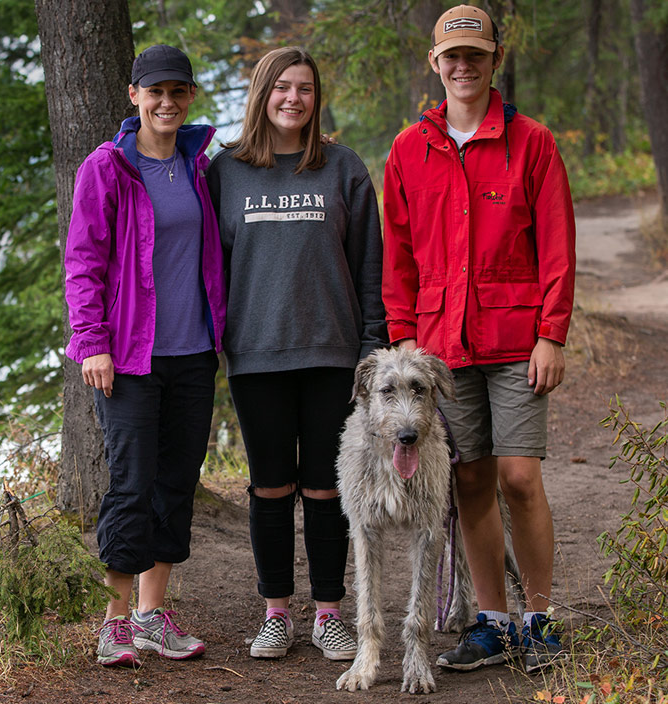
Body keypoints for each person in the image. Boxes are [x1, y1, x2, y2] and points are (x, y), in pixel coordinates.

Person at [382, 5, 575, 674]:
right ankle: (492, 623)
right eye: (451, 57)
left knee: (520, 478)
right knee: (469, 481)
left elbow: (557, 247)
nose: (463, 66)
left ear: (494, 60)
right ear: (434, 64)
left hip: (517, 339)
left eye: (476, 55)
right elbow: (399, 255)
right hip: (439, 352)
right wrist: (404, 339)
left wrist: (552, 334)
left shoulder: (533, 142)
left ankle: (541, 619)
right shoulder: (410, 148)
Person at [206, 46, 386, 661]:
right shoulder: (225, 172)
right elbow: (207, 268)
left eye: (305, 89)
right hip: (255, 355)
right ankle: (277, 612)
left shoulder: (343, 168)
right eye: (282, 87)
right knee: (270, 488)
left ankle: (330, 613)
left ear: (316, 97)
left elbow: (370, 269)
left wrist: (370, 353)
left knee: (327, 490)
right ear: (262, 93)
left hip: (334, 355)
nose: (293, 98)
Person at [64, 44, 226, 667]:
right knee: (131, 485)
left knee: (176, 484)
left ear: (189, 98)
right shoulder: (107, 166)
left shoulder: (198, 165)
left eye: (177, 92)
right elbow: (82, 263)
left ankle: (153, 614)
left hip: (193, 353)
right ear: (134, 96)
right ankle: (115, 623)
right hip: (127, 358)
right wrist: (94, 343)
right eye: (154, 92)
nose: (166, 102)